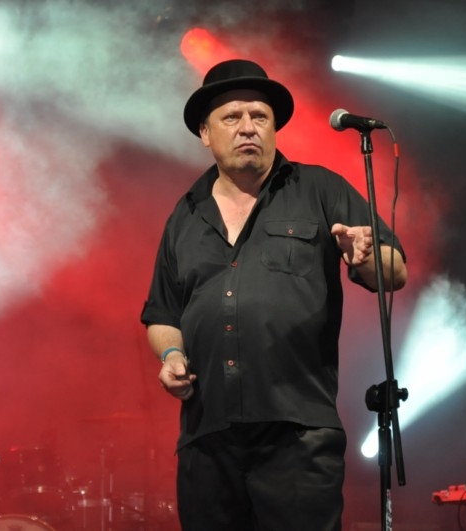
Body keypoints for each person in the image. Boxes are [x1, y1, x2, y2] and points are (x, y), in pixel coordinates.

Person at [140, 59, 407, 531]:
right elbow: (163, 313)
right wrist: (172, 355)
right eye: (232, 117)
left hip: (297, 433)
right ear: (205, 133)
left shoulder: (319, 189)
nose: (248, 127)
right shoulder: (184, 214)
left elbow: (396, 270)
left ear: (274, 128)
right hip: (207, 436)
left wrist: (363, 256)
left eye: (259, 116)